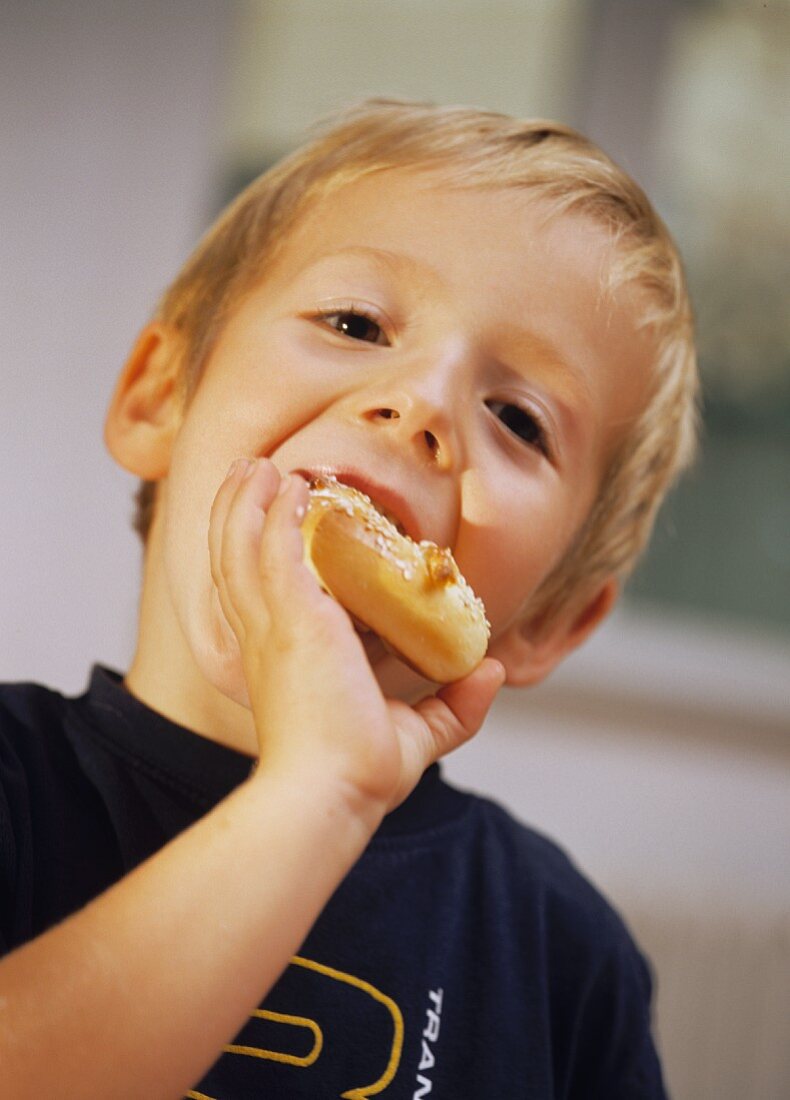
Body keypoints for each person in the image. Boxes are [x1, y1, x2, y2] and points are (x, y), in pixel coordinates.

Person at [0, 99, 697, 1098]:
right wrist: (316, 791)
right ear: (160, 395)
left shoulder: (558, 954)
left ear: (553, 614)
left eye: (517, 417)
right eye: (355, 322)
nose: (422, 403)